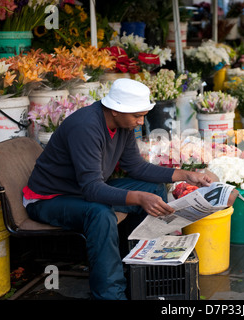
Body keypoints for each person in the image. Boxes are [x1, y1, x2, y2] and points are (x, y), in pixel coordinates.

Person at [23, 78, 213, 300]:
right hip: (48, 199)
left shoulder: (122, 125)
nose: (141, 122)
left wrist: (186, 174)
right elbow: (92, 190)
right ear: (114, 110)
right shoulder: (86, 127)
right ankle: (110, 294)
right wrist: (138, 198)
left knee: (152, 189)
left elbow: (135, 167)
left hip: (81, 190)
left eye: (142, 115)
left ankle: (143, 269)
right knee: (99, 214)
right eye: (136, 116)